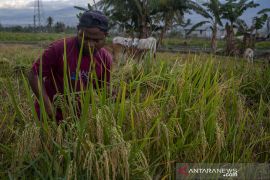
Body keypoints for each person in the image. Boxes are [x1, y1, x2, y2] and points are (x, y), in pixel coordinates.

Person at [28, 10, 113, 122]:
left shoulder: (105, 58)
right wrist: (47, 107)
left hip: (79, 119)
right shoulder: (59, 49)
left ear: (105, 36)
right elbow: (34, 74)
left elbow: (102, 89)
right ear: (78, 30)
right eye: (85, 38)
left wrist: (119, 94)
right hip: (49, 115)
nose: (90, 44)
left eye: (96, 40)